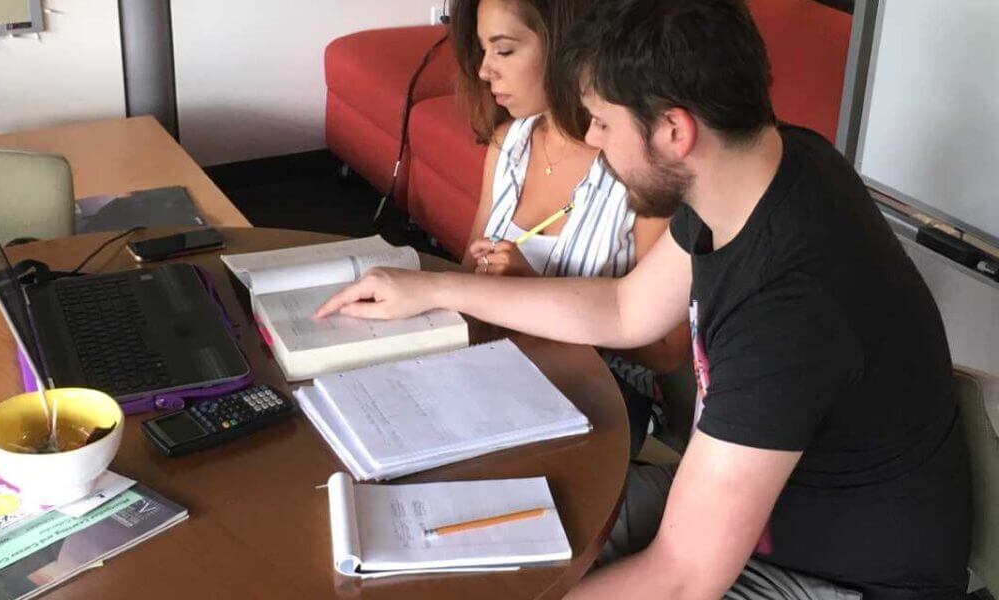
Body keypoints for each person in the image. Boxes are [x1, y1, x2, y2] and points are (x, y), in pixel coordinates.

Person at [317, 0, 971, 597]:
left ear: (674, 131)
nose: (592, 140)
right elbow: (626, 308)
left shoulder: (789, 310)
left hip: (833, 577)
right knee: (469, 543)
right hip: (744, 513)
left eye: (603, 122)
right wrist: (431, 286)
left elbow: (683, 579)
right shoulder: (762, 166)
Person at [450, 0, 689, 455]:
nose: (484, 70)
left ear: (563, 47)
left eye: (504, 50)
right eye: (483, 50)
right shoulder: (508, 143)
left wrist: (531, 289)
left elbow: (666, 349)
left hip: (603, 387)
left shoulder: (638, 168)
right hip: (501, 362)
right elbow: (467, 275)